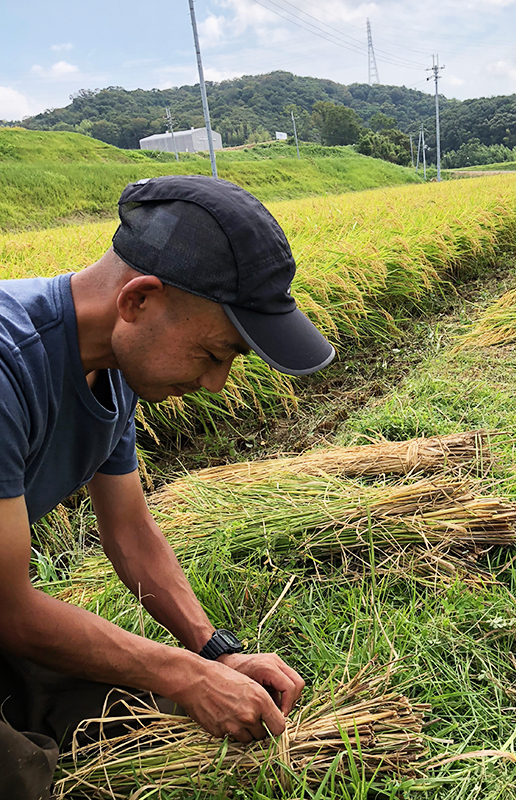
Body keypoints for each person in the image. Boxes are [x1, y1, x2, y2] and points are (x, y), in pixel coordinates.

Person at [0, 175, 336, 800]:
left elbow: (128, 530)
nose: (217, 383)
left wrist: (214, 654)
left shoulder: (111, 364)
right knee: (22, 776)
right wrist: (185, 675)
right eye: (214, 353)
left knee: (128, 710)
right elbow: (9, 609)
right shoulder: (6, 365)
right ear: (139, 300)